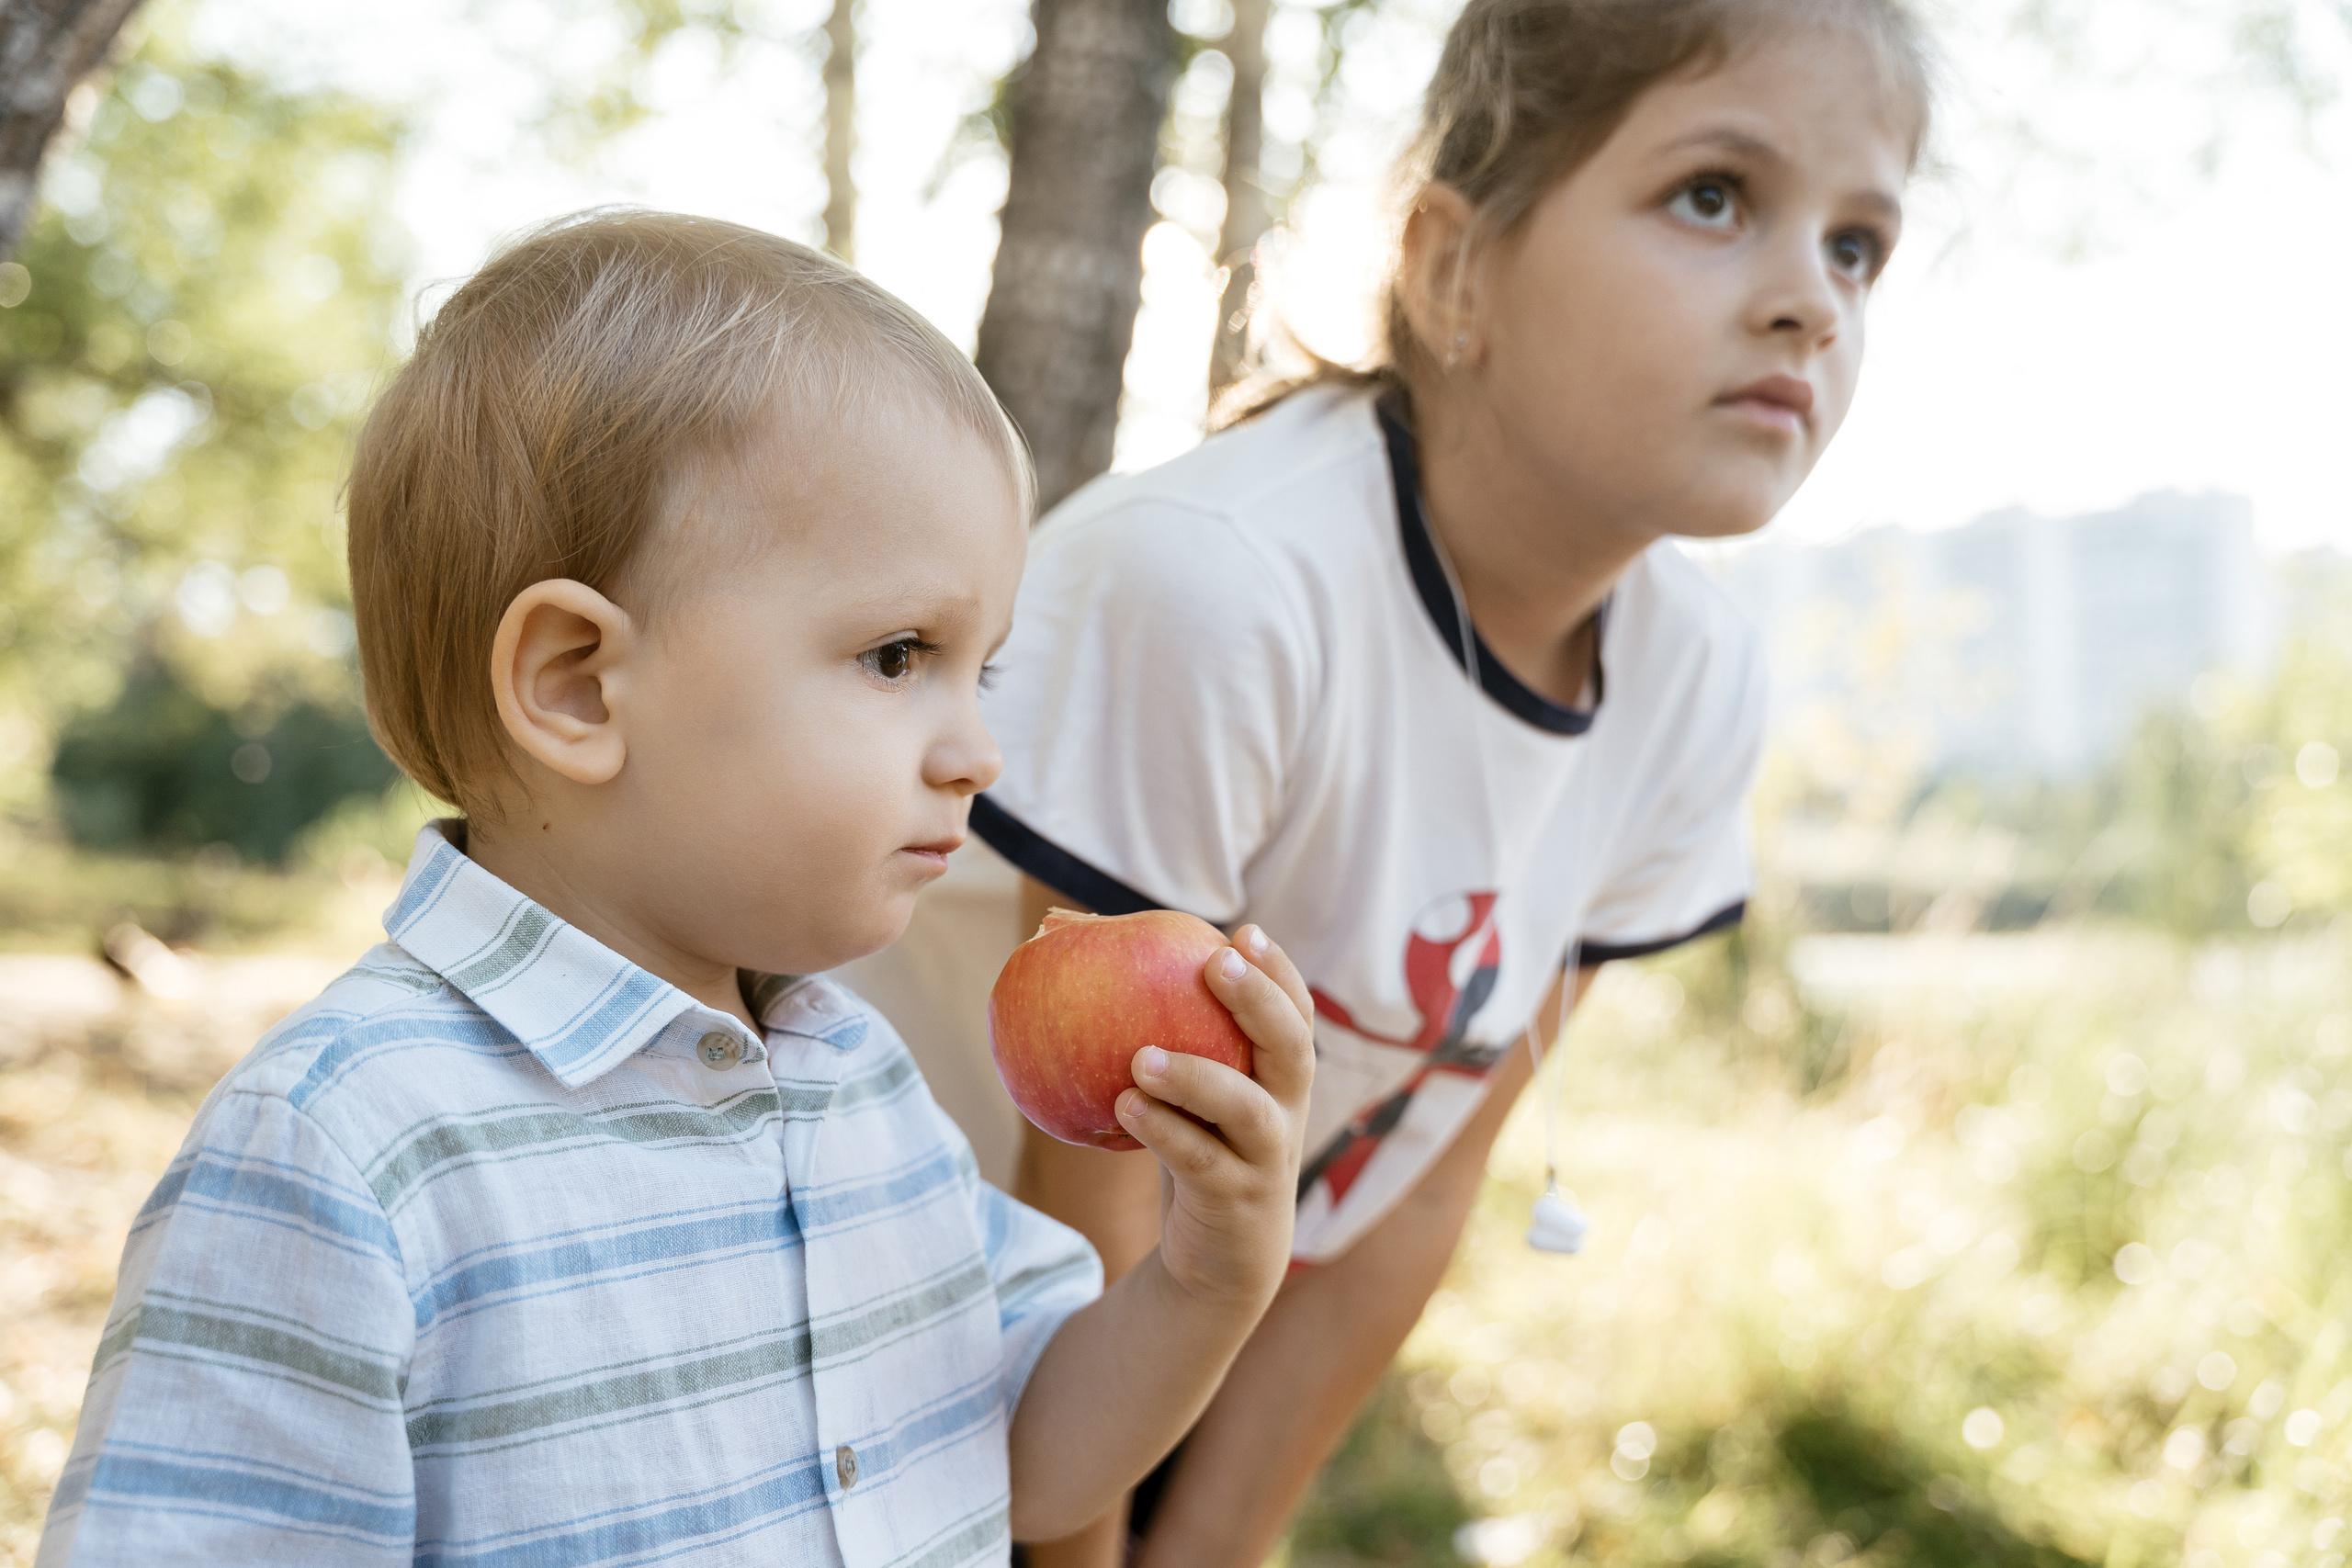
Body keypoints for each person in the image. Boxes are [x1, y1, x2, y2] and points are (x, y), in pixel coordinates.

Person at [35, 210, 1317, 1568]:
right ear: (579, 684)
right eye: (897, 656)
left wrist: (1205, 1275)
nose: (977, 752)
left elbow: (1023, 1466)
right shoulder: (346, 1150)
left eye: (978, 668)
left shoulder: (856, 1083)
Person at [843, 1, 1938, 1562]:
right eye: (1715, 196)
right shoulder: (1222, 590)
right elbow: (1083, 1192)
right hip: (875, 1307)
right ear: (1453, 265)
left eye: (1859, 247)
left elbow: (1417, 1183)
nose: (1810, 305)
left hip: (1158, 1314)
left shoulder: (1695, 685)